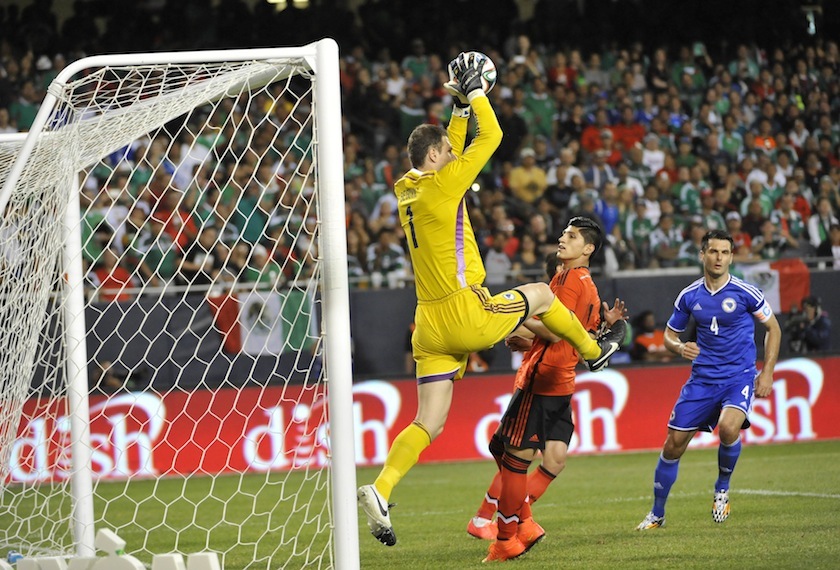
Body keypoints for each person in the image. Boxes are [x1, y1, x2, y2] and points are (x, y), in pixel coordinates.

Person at [357, 52, 625, 548]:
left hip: (428, 322)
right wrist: (477, 92)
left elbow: (451, 145)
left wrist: (457, 105)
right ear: (437, 157)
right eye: (446, 152)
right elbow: (493, 137)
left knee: (428, 421)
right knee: (543, 293)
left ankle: (380, 486)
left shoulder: (407, 186)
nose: (451, 158)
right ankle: (596, 351)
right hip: (462, 309)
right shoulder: (443, 184)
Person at [466, 217, 626, 562]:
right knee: (550, 459)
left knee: (511, 457)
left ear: (588, 249)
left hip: (542, 380)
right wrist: (531, 339)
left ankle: (507, 535)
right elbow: (576, 332)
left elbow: (556, 330)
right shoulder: (587, 284)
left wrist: (506, 314)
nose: (561, 238)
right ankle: (520, 524)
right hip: (562, 381)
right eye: (563, 233)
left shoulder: (567, 279)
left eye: (571, 236)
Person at [636, 229, 781, 531]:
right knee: (673, 445)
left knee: (729, 428)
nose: (719, 258)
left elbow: (773, 329)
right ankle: (657, 514)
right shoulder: (689, 296)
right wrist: (678, 347)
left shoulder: (746, 292)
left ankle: (722, 489)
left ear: (730, 257)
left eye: (725, 252)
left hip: (737, 376)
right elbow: (669, 336)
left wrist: (766, 372)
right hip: (702, 379)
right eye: (713, 252)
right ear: (702, 255)